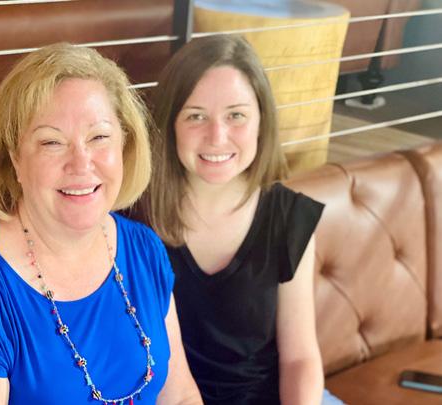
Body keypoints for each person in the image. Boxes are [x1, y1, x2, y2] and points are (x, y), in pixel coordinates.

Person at [0, 43, 201, 405]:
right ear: (14, 158)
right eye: (51, 142)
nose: (81, 163)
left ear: (124, 144)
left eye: (99, 137)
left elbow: (180, 396)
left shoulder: (144, 249)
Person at [142, 35, 341, 404]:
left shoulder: (290, 216)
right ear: (170, 123)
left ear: (261, 121)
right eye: (196, 116)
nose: (217, 137)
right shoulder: (136, 221)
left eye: (236, 115)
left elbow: (299, 357)